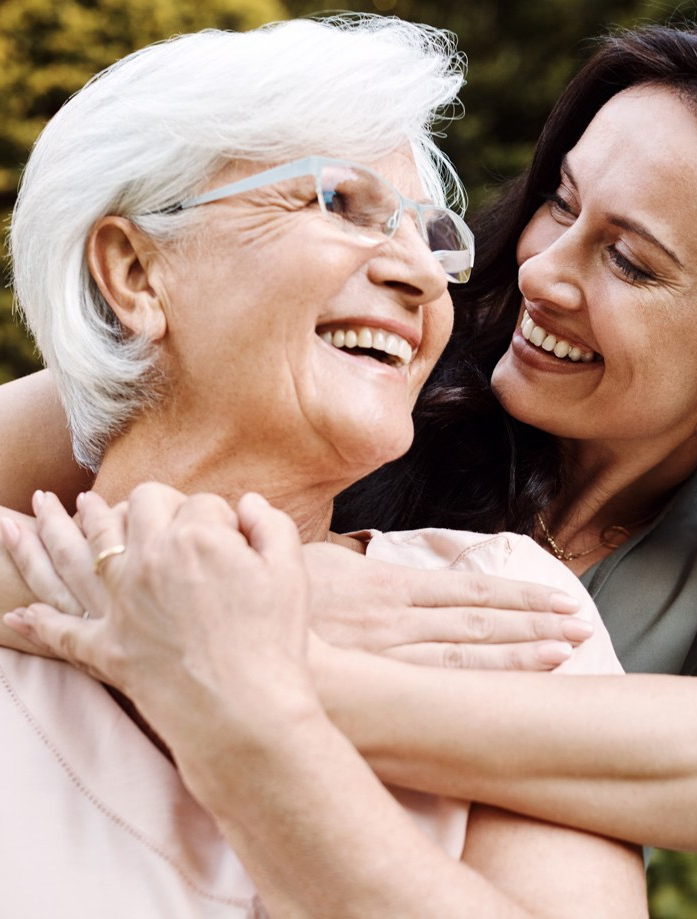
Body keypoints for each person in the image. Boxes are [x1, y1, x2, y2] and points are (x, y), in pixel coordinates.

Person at [3, 17, 697, 868]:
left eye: (631, 260)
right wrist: (231, 584)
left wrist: (266, 662)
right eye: (561, 203)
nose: (539, 269)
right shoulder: (357, 372)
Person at [0, 15, 650, 918]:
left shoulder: (500, 607)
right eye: (338, 204)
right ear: (136, 272)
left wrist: (244, 719)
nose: (422, 276)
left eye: (431, 235)